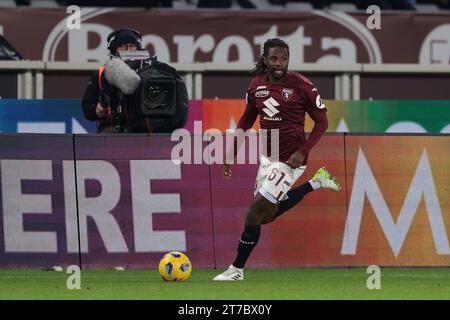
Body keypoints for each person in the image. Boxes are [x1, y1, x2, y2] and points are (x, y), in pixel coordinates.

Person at [213, 38, 341, 281]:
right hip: (268, 157)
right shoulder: (256, 86)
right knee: (266, 216)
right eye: (274, 58)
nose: (279, 63)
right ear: (265, 59)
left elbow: (322, 121)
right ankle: (316, 183)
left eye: (284, 58)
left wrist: (303, 151)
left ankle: (236, 270)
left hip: (290, 160)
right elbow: (246, 120)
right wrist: (231, 154)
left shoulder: (302, 86)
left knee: (253, 213)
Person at [82, 28, 144, 133]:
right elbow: (87, 109)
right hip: (111, 129)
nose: (129, 51)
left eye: (132, 46)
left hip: (141, 129)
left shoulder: (148, 72)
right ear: (114, 50)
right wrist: (97, 111)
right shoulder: (101, 74)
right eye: (124, 47)